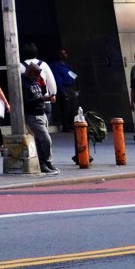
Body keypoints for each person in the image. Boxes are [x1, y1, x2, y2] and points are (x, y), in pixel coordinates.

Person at [21, 46, 59, 174]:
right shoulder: (25, 81)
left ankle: (45, 163)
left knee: (41, 138)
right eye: (37, 75)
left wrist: (49, 97)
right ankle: (46, 162)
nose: (39, 77)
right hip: (34, 113)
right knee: (45, 138)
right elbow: (51, 83)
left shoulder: (34, 80)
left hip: (41, 110)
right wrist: (47, 97)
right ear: (30, 72)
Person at [49, 48, 81, 130]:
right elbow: (57, 78)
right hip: (63, 87)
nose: (65, 55)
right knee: (65, 107)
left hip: (71, 87)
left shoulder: (67, 65)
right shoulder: (57, 65)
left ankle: (72, 124)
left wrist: (76, 88)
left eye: (65, 53)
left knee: (73, 106)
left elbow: (73, 76)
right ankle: (65, 126)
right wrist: (62, 90)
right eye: (63, 54)